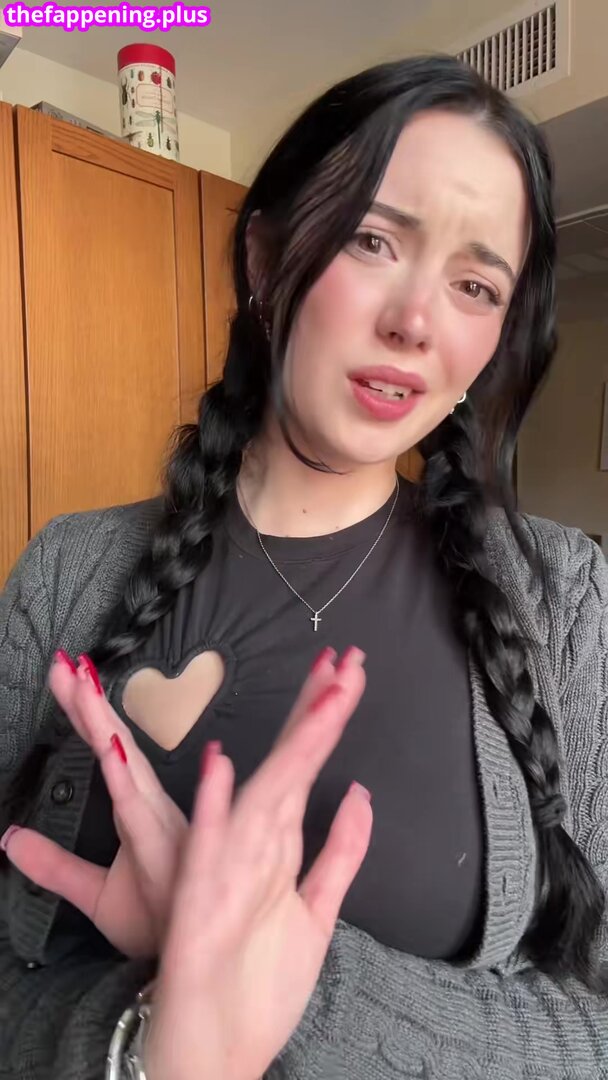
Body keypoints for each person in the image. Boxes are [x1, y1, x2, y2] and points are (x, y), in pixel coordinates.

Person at [0, 52, 607, 1080]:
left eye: (474, 285)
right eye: (374, 239)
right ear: (265, 257)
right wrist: (144, 1035)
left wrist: (285, 976)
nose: (415, 321)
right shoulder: (67, 569)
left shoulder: (563, 599)